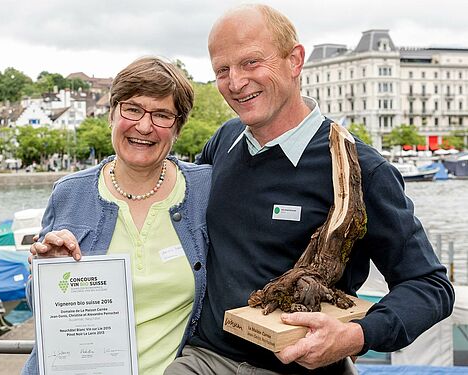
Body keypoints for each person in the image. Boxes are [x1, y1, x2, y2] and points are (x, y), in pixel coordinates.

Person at [165, 4, 454, 375]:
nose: (235, 82)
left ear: (295, 60)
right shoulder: (224, 141)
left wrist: (355, 336)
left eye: (251, 62)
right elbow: (159, 201)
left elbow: (431, 286)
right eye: (223, 70)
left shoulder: (361, 168)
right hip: (205, 359)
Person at [21, 56, 212, 375]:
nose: (144, 126)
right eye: (133, 109)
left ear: (177, 127)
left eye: (162, 114)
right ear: (112, 113)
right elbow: (40, 307)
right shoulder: (70, 192)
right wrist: (47, 273)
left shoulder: (205, 190)